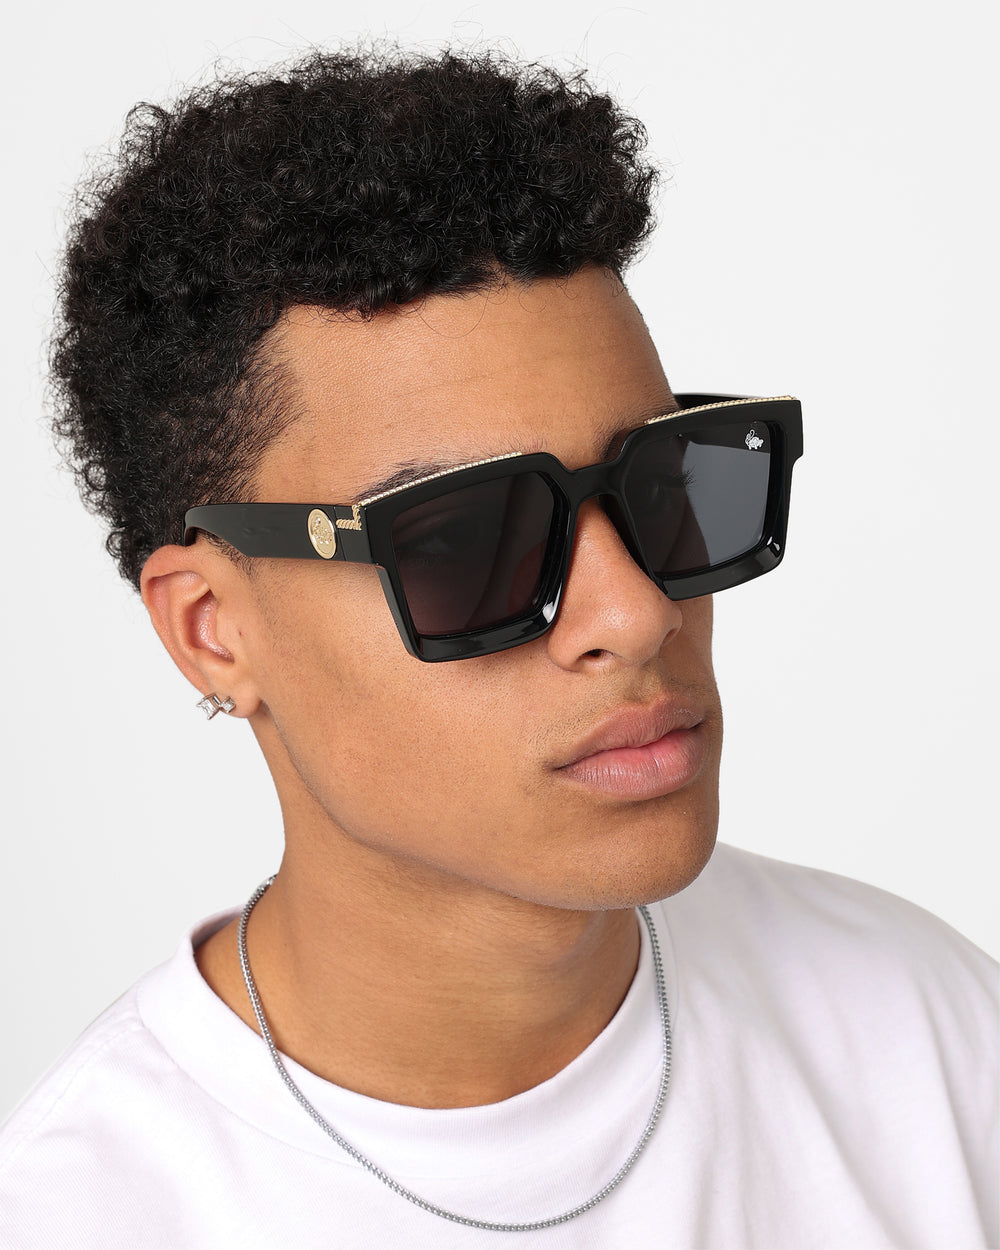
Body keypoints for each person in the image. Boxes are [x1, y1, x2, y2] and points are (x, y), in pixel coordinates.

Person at [0, 46, 995, 1249]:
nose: (634, 614)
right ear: (215, 630)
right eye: (466, 540)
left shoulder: (929, 1039)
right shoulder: (84, 1212)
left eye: (664, 482)